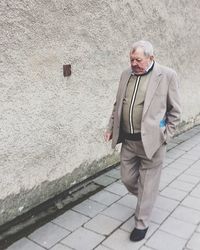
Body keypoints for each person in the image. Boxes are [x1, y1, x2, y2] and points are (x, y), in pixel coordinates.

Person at [104, 40, 181, 242]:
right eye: (131, 59)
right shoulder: (125, 75)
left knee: (148, 183)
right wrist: (111, 127)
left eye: (138, 59)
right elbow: (117, 104)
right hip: (128, 141)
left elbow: (175, 111)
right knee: (128, 179)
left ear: (151, 58)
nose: (134, 63)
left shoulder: (167, 75)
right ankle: (148, 196)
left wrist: (166, 135)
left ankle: (141, 223)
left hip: (153, 143)